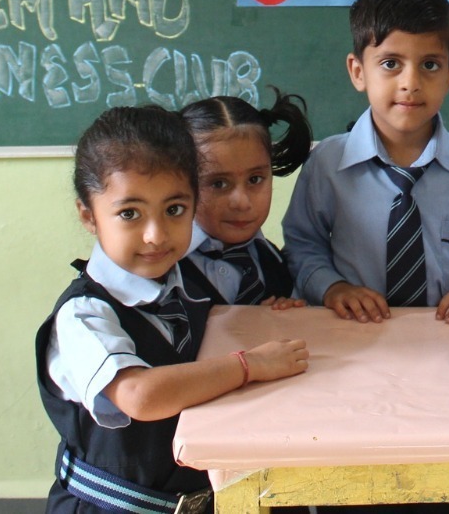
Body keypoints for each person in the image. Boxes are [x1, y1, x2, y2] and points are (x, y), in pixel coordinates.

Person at [36, 106, 309, 514]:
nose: (156, 234)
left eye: (174, 210)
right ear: (88, 215)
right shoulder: (84, 315)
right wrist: (249, 364)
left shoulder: (186, 292)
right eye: (130, 214)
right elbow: (139, 395)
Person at [282, 0, 449, 324]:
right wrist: (333, 288)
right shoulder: (326, 164)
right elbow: (303, 246)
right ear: (358, 72)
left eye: (430, 65)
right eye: (390, 64)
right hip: (353, 335)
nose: (411, 83)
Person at [179, 90, 313, 307]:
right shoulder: (160, 268)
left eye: (255, 179)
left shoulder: (275, 262)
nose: (242, 202)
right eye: (218, 184)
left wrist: (286, 317)